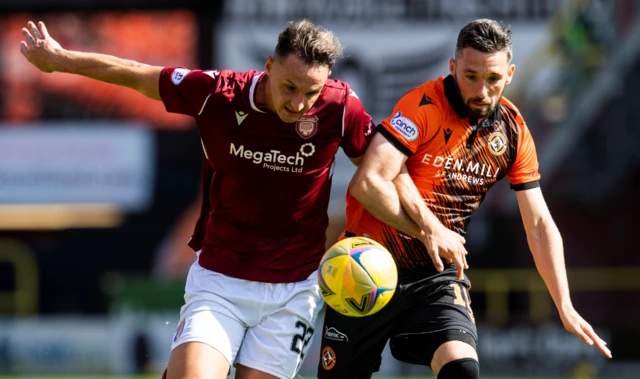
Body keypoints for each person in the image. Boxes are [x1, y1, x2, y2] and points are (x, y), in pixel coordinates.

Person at [20, 19, 376, 379]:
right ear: (269, 65)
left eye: (311, 91)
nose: (299, 103)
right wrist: (61, 60)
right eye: (289, 87)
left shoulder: (342, 106)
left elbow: (379, 172)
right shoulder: (217, 93)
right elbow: (138, 73)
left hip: (295, 290)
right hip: (220, 281)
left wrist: (424, 225)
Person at [318, 19, 612, 379]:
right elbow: (368, 183)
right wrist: (430, 229)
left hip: (436, 275)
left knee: (463, 369)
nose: (481, 91)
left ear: (510, 74)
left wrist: (564, 304)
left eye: (493, 79)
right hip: (366, 264)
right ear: (453, 67)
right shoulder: (422, 106)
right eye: (470, 76)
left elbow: (538, 224)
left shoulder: (514, 132)